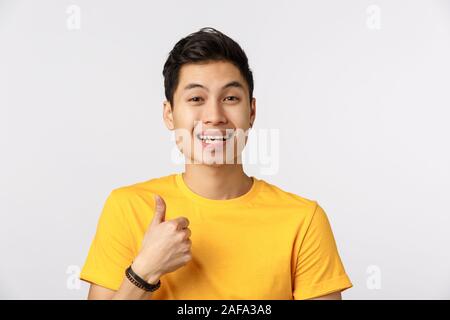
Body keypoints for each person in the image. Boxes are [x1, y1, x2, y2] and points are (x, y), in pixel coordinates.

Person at [79, 27, 353, 300]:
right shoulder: (127, 207)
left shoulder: (303, 220)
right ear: (169, 115)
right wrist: (144, 271)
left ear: (252, 112)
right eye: (196, 98)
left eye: (230, 98)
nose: (214, 115)